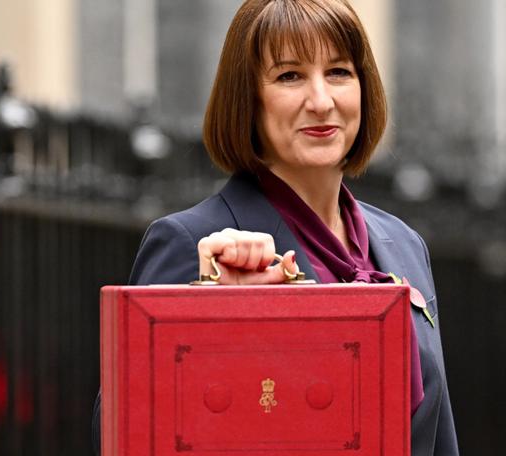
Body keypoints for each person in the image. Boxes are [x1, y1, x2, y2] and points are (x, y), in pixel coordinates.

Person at [93, 0, 458, 454]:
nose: (321, 100)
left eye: (340, 72)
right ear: (248, 99)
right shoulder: (194, 242)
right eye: (289, 76)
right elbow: (120, 435)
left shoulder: (403, 245)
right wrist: (208, 312)